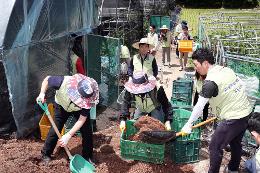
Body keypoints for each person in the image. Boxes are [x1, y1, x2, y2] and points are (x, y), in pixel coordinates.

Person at [181, 48, 253, 173]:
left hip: (233, 117)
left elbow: (199, 106)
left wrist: (189, 124)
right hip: (246, 112)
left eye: (196, 65)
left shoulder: (210, 82)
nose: (196, 68)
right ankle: (233, 169)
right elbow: (241, 84)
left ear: (205, 63)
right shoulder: (225, 69)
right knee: (236, 143)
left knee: (215, 147)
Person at [36, 74, 99, 164]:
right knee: (55, 129)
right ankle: (46, 154)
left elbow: (82, 120)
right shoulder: (62, 82)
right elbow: (47, 79)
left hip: (78, 110)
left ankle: (87, 156)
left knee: (87, 131)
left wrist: (68, 135)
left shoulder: (88, 99)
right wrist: (42, 94)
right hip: (61, 105)